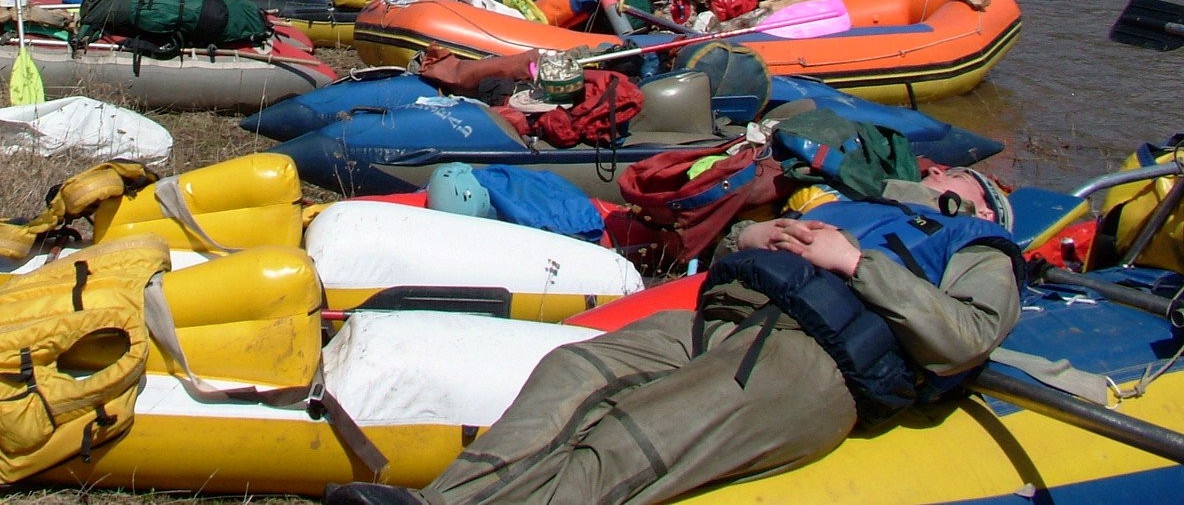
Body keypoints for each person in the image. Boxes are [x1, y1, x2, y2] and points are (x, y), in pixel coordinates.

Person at [325, 165, 1022, 505]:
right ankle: (437, 503)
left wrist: (857, 264)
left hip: (813, 363)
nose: (931, 172)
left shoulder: (977, 244)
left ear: (981, 199)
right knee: (573, 375)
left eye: (951, 173)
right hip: (721, 320)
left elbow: (966, 336)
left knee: (629, 434)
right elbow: (725, 256)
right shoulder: (853, 206)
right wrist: (753, 235)